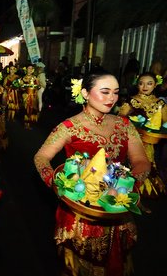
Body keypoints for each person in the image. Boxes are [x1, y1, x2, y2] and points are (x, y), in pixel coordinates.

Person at [33, 72, 151, 276]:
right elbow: (41, 157)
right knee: (82, 261)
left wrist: (129, 184)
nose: (111, 98)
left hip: (116, 206)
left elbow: (141, 161)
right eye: (104, 92)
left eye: (115, 93)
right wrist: (58, 183)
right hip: (82, 208)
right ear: (86, 93)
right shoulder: (70, 127)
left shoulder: (123, 124)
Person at [118, 72, 167, 202]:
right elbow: (120, 118)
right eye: (141, 83)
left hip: (150, 140)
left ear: (155, 85)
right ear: (137, 85)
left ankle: (143, 185)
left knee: (149, 160)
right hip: (133, 139)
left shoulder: (160, 102)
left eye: (149, 83)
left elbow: (164, 123)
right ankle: (129, 187)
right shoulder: (132, 100)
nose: (145, 86)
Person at [20, 64, 40, 129]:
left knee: (32, 109)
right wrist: (24, 87)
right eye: (29, 68)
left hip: (33, 96)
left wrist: (36, 88)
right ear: (26, 69)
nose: (30, 70)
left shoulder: (35, 78)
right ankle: (26, 123)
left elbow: (38, 86)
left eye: (31, 69)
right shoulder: (23, 78)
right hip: (26, 96)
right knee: (26, 109)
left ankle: (31, 122)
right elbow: (21, 87)